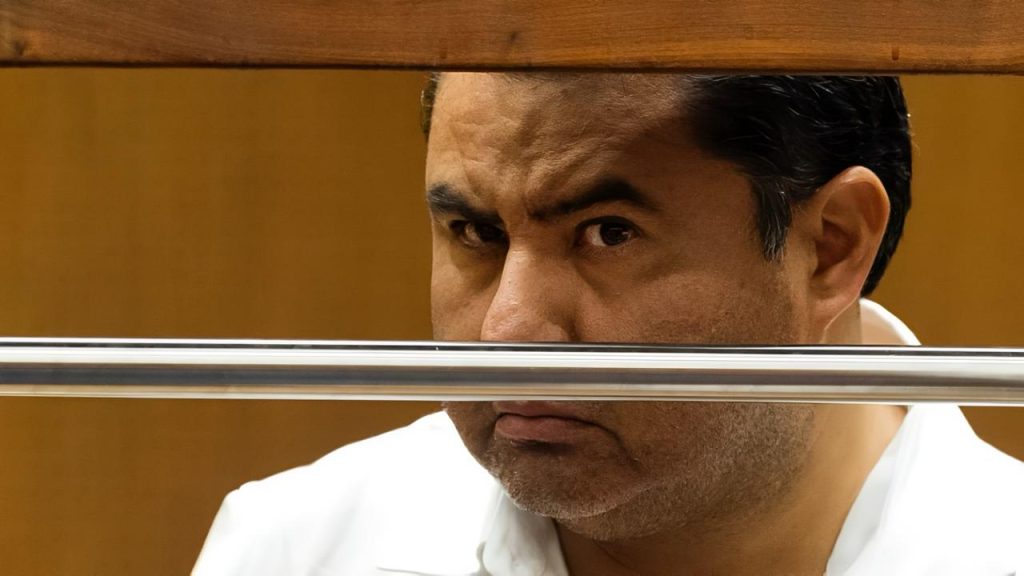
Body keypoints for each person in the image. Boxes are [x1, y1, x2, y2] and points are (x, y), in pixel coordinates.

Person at [192, 74, 1024, 575]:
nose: (508, 330)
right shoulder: (295, 549)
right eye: (476, 232)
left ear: (830, 246)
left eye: (609, 233)